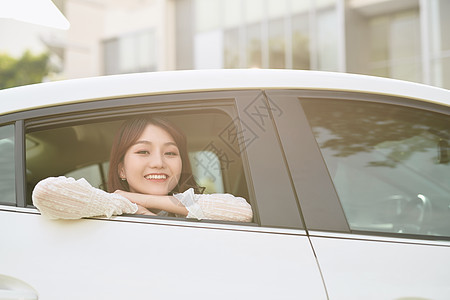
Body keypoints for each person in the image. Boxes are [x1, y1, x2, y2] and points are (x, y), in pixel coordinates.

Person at [32, 115, 253, 222]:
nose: (158, 162)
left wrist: (140, 202)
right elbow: (47, 193)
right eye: (143, 152)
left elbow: (242, 212)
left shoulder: (192, 212)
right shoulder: (104, 209)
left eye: (170, 153)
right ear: (121, 170)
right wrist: (124, 204)